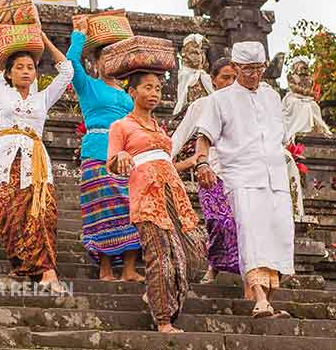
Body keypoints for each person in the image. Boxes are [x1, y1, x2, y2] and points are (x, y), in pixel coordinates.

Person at [194, 41, 293, 320]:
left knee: (280, 236)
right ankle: (259, 298)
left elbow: (280, 137)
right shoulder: (220, 99)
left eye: (259, 69)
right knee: (251, 234)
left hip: (275, 176)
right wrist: (202, 162)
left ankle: (269, 300)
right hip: (241, 176)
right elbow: (204, 136)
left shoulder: (272, 97)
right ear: (235, 67)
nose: (253, 75)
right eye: (247, 69)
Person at [0, 24, 72, 293]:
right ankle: (22, 264)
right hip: (5, 161)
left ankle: (47, 271)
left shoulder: (44, 98)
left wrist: (43, 38)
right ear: (8, 72)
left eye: (30, 67)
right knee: (6, 212)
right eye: (19, 67)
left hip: (35, 163)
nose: (25, 71)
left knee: (43, 214)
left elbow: (67, 72)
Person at [107, 71, 200, 333]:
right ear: (132, 92)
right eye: (148, 88)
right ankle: (163, 319)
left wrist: (189, 163)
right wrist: (122, 155)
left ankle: (157, 293)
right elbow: (112, 162)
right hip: (147, 198)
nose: (155, 93)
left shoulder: (159, 128)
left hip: (174, 196)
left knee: (190, 253)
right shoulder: (121, 126)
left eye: (158, 88)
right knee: (160, 258)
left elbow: (165, 163)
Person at [66, 18, 141, 282]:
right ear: (96, 63)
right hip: (97, 153)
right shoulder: (88, 86)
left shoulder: (129, 94)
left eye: (114, 58)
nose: (109, 64)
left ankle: (130, 269)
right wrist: (80, 35)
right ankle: (106, 268)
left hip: (127, 155)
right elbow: (71, 63)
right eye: (104, 59)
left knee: (131, 208)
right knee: (103, 209)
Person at [171, 57, 239, 284]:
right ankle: (214, 266)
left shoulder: (247, 107)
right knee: (218, 221)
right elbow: (179, 137)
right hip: (210, 173)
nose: (230, 83)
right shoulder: (201, 106)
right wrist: (161, 159)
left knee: (243, 223)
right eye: (225, 77)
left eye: (234, 78)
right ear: (213, 80)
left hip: (241, 174)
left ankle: (247, 275)